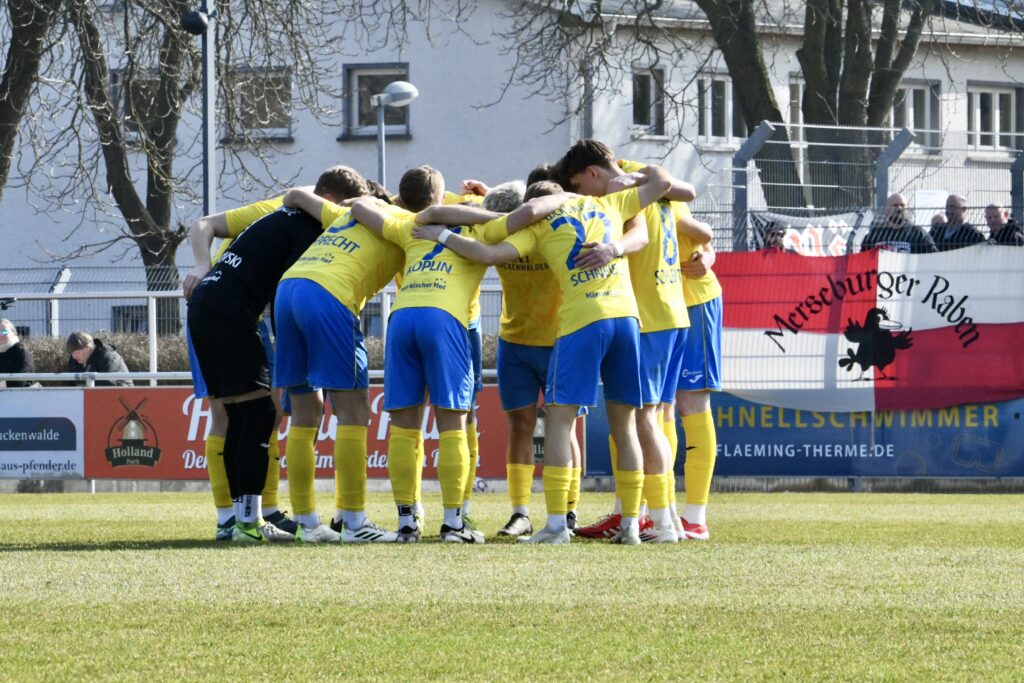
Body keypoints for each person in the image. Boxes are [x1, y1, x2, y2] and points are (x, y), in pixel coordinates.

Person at [413, 166, 676, 545]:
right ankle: (632, 525)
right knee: (626, 425)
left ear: (536, 203)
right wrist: (629, 172)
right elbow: (663, 184)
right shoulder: (605, 205)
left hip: (577, 324)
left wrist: (441, 236)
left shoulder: (538, 228)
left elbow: (485, 252)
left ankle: (557, 524)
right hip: (625, 318)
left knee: (559, 421)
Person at [186, 166, 367, 544]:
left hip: (208, 302)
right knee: (258, 412)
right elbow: (287, 290)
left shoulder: (279, 214)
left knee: (241, 414)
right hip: (230, 310)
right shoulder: (309, 228)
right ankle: (249, 523)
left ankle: (240, 520)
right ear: (329, 201)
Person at [557, 140, 710, 543]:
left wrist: (611, 248)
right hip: (673, 312)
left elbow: (641, 236)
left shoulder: (622, 193)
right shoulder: (649, 184)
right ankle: (665, 516)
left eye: (578, 184)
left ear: (592, 173)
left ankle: (659, 520)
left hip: (649, 316)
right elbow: (689, 207)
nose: (581, 196)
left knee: (641, 419)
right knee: (655, 417)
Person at [275, 178, 407, 544]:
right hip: (328, 295)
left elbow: (295, 194)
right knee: (354, 411)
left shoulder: (343, 215)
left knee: (305, 414)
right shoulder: (400, 223)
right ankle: (354, 522)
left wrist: (351, 205)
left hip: (288, 290)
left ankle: (306, 522)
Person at [861, 193, 937, 254]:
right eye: (895, 205)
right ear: (887, 209)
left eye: (902, 205)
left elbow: (933, 256)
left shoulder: (918, 233)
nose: (899, 208)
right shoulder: (876, 234)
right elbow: (863, 257)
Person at [66, 332, 133, 386]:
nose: (74, 356)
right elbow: (70, 384)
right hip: (90, 398)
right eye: (72, 354)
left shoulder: (108, 356)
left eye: (77, 353)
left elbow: (107, 384)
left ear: (88, 348)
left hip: (121, 397)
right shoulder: (74, 359)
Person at [0, 319, 35, 388]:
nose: (0, 335)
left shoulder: (20, 351)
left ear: (13, 333)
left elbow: (19, 382)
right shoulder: (2, 351)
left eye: (4, 332)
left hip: (21, 395)